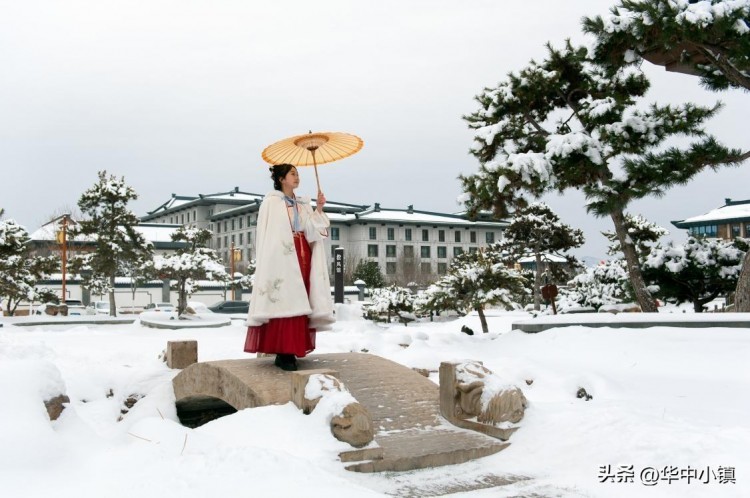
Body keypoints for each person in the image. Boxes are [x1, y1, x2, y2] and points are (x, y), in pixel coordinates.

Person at [244, 164, 334, 371]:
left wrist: (318, 208)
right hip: (282, 257)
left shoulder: (302, 204)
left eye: (298, 174)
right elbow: (269, 236)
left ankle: (294, 347)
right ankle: (283, 351)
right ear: (282, 179)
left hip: (303, 254)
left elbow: (311, 231)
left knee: (301, 299)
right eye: (293, 174)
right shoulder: (272, 203)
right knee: (284, 297)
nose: (297, 177)